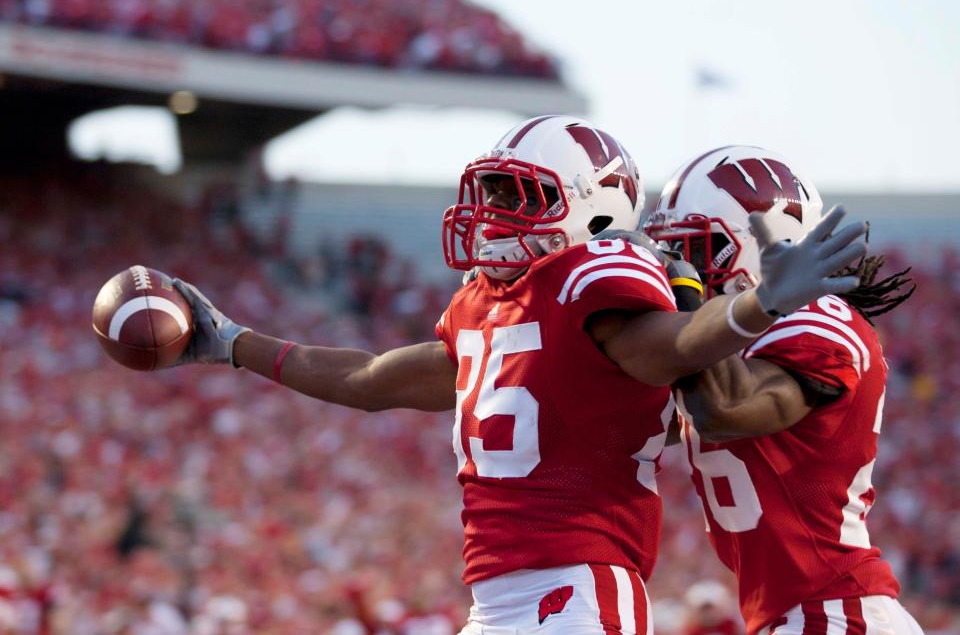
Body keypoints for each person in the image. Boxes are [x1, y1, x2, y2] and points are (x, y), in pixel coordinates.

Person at [170, 118, 867, 634]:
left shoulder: (596, 278)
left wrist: (752, 305)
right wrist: (236, 343)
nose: (494, 212)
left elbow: (671, 348)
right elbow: (372, 378)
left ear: (591, 212)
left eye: (516, 194)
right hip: (499, 600)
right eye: (492, 190)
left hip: (578, 591)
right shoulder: (488, 304)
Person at [644, 145, 921, 635]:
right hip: (796, 614)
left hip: (836, 610)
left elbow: (724, 408)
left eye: (694, 251)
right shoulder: (734, 339)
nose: (678, 266)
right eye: (670, 251)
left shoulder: (815, 319)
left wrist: (684, 305)